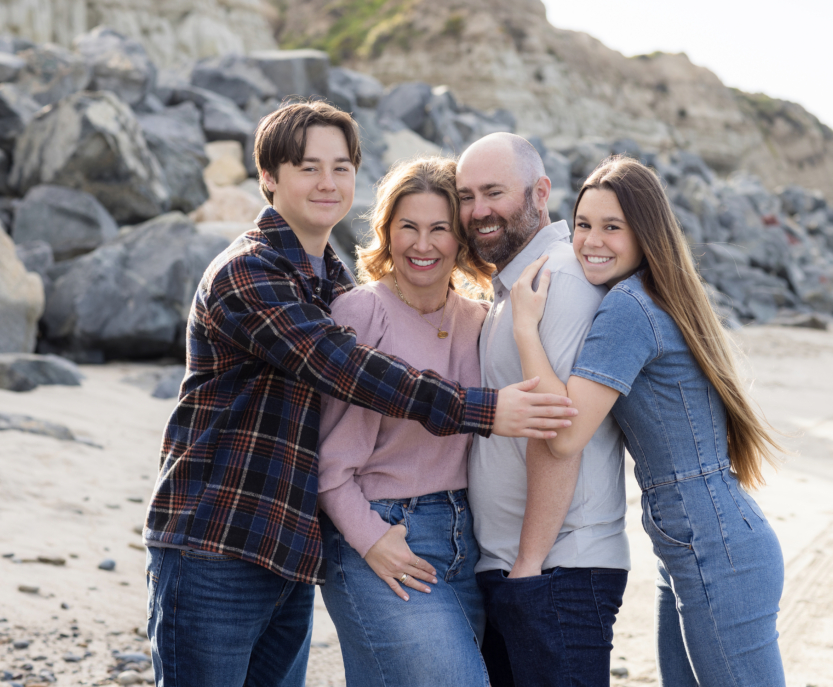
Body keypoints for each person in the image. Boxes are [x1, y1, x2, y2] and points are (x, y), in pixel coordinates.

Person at [143, 102, 577, 687]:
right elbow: (347, 369)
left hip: (287, 548)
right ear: (269, 177)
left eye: (341, 167)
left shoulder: (330, 279)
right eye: (308, 167)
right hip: (215, 541)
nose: (328, 182)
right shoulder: (248, 273)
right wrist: (485, 411)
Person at [510, 156, 786, 687]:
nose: (592, 240)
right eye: (584, 224)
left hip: (714, 549)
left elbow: (566, 436)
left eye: (612, 227)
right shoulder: (657, 295)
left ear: (645, 233)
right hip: (697, 543)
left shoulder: (629, 310)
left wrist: (525, 329)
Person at [457, 133, 631, 687]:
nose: (478, 211)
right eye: (465, 196)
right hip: (520, 569)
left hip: (556, 572)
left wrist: (528, 569)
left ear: (540, 192)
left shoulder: (562, 278)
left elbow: (556, 429)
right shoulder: (514, 289)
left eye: (493, 192)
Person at [316, 156, 493, 686]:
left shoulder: (480, 321)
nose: (423, 245)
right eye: (408, 227)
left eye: (439, 228)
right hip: (384, 532)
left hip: (468, 540)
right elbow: (330, 464)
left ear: (460, 238)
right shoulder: (358, 313)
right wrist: (371, 538)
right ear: (386, 232)